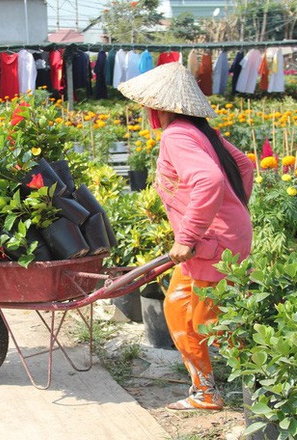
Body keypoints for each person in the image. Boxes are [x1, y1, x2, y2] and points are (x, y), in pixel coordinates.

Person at [118, 62, 254, 411]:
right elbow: (244, 167)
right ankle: (205, 392)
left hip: (212, 245)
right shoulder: (201, 131)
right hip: (215, 241)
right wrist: (233, 212)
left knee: (214, 322)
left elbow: (209, 180)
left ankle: (270, 384)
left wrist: (190, 232)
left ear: (157, 106)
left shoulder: (176, 135)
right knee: (178, 309)